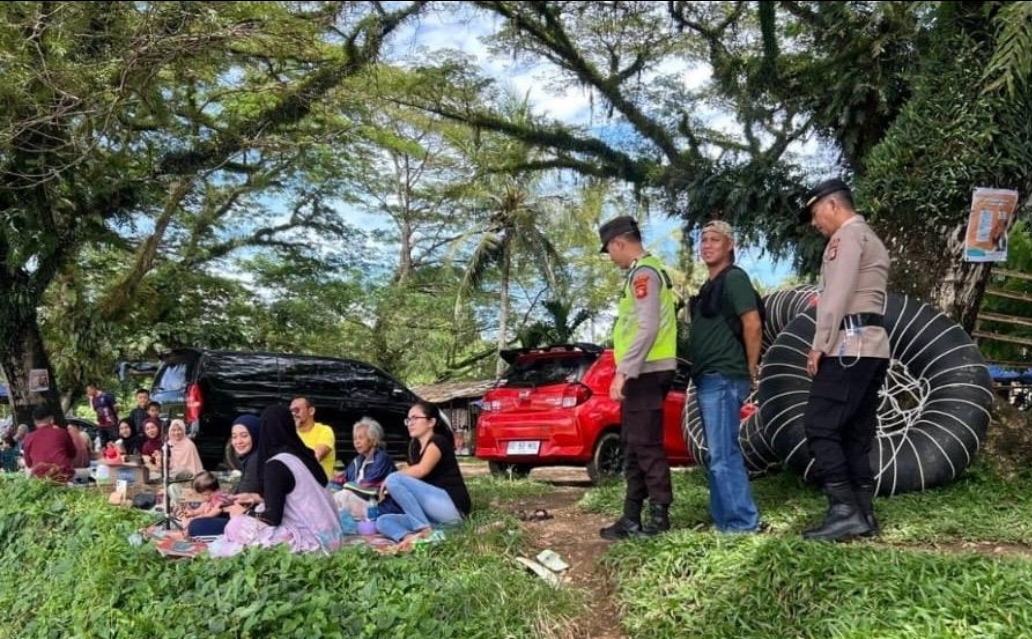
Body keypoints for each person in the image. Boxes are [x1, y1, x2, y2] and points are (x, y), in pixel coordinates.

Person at [797, 177, 891, 541]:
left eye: (815, 213)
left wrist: (820, 344)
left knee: (820, 426)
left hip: (848, 347)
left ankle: (844, 509)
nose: (814, 223)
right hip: (871, 347)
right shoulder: (871, 237)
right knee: (854, 433)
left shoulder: (847, 237)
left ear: (833, 205)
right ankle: (864, 513)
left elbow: (836, 294)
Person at [596, 216, 678, 540]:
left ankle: (659, 519)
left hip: (648, 370)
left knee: (646, 446)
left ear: (619, 243)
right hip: (643, 371)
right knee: (632, 446)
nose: (611, 258)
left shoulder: (644, 273)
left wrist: (623, 372)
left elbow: (647, 327)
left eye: (609, 251)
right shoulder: (639, 273)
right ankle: (631, 517)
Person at [685, 220, 763, 533]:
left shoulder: (735, 278)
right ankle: (724, 522)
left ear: (729, 245)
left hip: (724, 376)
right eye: (703, 240)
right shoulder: (709, 286)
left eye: (714, 240)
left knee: (723, 454)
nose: (707, 245)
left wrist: (750, 367)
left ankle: (743, 524)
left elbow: (753, 324)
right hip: (707, 378)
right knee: (716, 454)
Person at [208, 405, 341, 557]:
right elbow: (296, 496)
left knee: (235, 526)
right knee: (253, 514)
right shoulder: (306, 455)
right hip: (333, 537)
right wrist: (255, 497)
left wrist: (244, 512)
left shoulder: (276, 464)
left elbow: (273, 519)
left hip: (314, 542)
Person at [375, 401, 471, 546]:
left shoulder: (438, 441)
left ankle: (424, 530)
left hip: (452, 509)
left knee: (394, 479)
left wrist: (389, 479)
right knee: (383, 521)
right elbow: (411, 480)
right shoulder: (414, 448)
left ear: (431, 422)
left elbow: (422, 469)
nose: (410, 423)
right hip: (434, 514)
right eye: (408, 419)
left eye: (415, 418)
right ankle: (409, 539)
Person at [186, 414, 261, 538]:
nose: (238, 441)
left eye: (244, 435)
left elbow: (243, 502)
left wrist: (201, 515)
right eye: (234, 437)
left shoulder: (255, 462)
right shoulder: (250, 459)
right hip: (241, 514)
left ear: (256, 435)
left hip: (251, 521)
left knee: (196, 526)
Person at [333, 417, 397, 520]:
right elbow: (342, 480)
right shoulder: (357, 461)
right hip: (360, 502)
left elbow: (367, 488)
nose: (357, 442)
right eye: (355, 438)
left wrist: (344, 488)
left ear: (373, 440)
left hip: (380, 507)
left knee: (344, 495)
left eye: (361, 438)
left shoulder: (382, 458)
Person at [22, 406, 77, 483]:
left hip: (40, 477)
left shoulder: (28, 437)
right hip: (62, 474)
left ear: (35, 422)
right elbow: (72, 454)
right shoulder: (62, 432)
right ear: (52, 420)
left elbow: (28, 463)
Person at [289, 396, 336, 481]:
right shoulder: (290, 433)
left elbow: (315, 458)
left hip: (319, 487)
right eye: (291, 411)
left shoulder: (324, 431)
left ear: (311, 411)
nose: (293, 414)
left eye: (296, 410)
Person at [85, 382, 119, 446]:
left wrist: (114, 418)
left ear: (93, 388)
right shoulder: (93, 399)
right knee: (104, 444)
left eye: (88, 390)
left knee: (116, 442)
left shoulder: (106, 395)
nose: (88, 393)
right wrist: (90, 399)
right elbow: (95, 410)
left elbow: (115, 408)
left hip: (111, 424)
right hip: (101, 425)